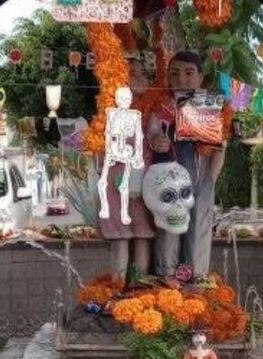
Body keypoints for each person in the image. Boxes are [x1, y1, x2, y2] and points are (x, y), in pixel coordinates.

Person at [146, 52, 226, 277]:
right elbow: (151, 132)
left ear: (200, 77)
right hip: (168, 178)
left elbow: (220, 147)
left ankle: (196, 281)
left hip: (202, 178)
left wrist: (210, 179)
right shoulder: (161, 106)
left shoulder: (209, 106)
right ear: (168, 78)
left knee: (198, 231)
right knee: (169, 229)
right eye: (175, 73)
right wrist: (156, 140)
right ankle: (166, 279)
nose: (181, 79)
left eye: (189, 73)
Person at [97, 56, 155, 278]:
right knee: (120, 234)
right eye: (133, 73)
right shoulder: (108, 109)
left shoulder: (153, 108)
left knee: (142, 233)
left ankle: (139, 287)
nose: (139, 78)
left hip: (144, 176)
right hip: (115, 177)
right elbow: (99, 143)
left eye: (142, 73)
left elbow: (154, 135)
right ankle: (117, 287)